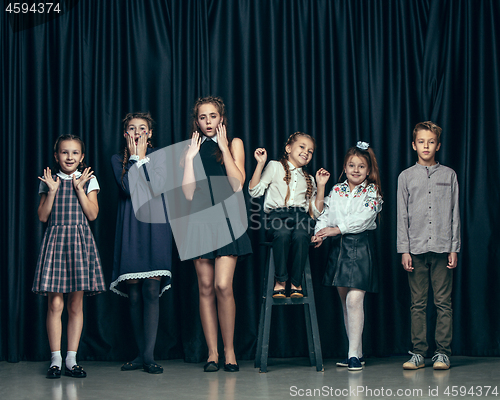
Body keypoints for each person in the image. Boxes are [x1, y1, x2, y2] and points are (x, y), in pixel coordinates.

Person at [182, 96, 252, 372]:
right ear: (196, 121)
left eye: (213, 116)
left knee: (224, 285)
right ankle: (212, 354)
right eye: (202, 117)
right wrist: (189, 158)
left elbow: (237, 184)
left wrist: (223, 146)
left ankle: (229, 351)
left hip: (227, 220)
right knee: (206, 288)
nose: (208, 121)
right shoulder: (191, 148)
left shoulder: (234, 144)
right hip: (199, 221)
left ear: (221, 118)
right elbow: (187, 194)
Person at [33, 134, 106, 379]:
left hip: (79, 243)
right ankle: (55, 360)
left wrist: (79, 188)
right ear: (56, 156)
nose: (70, 157)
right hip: (56, 243)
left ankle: (71, 360)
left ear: (82, 157)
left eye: (75, 153)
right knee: (55, 304)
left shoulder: (89, 180)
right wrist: (52, 191)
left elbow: (93, 214)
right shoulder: (49, 180)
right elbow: (43, 216)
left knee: (76, 304)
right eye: (64, 152)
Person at [311, 141, 383, 371]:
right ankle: (356, 353)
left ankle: (352, 355)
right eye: (351, 165)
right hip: (339, 248)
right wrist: (320, 233)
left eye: (361, 166)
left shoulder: (372, 191)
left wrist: (337, 229)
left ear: (369, 170)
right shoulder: (337, 189)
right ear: (345, 166)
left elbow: (364, 219)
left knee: (354, 300)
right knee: (346, 303)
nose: (355, 170)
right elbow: (322, 214)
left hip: (360, 247)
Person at [110, 112, 172, 374]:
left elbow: (155, 186)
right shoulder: (117, 160)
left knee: (151, 291)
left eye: (143, 128)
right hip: (131, 228)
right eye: (132, 129)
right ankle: (138, 354)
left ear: (150, 134)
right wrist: (135, 159)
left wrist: (142, 159)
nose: (137, 132)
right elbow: (128, 188)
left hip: (155, 228)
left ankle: (149, 356)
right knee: (134, 294)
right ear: (126, 135)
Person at [397, 121, 460, 370]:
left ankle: (442, 353)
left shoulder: (449, 175)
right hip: (416, 249)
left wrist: (454, 247)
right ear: (414, 145)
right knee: (418, 303)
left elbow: (455, 214)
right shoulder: (406, 176)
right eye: (421, 141)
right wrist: (404, 249)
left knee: (443, 303)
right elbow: (402, 215)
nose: (426, 146)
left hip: (443, 247)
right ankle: (418, 353)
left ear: (438, 145)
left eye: (431, 141)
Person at [249, 132, 330, 298]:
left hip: (301, 217)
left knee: (301, 236)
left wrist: (321, 186)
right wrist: (260, 164)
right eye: (302, 147)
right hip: (277, 216)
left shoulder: (309, 178)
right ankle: (280, 281)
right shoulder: (274, 166)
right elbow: (254, 191)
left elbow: (316, 211)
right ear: (288, 148)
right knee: (282, 233)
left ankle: (296, 282)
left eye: (310, 151)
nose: (306, 152)